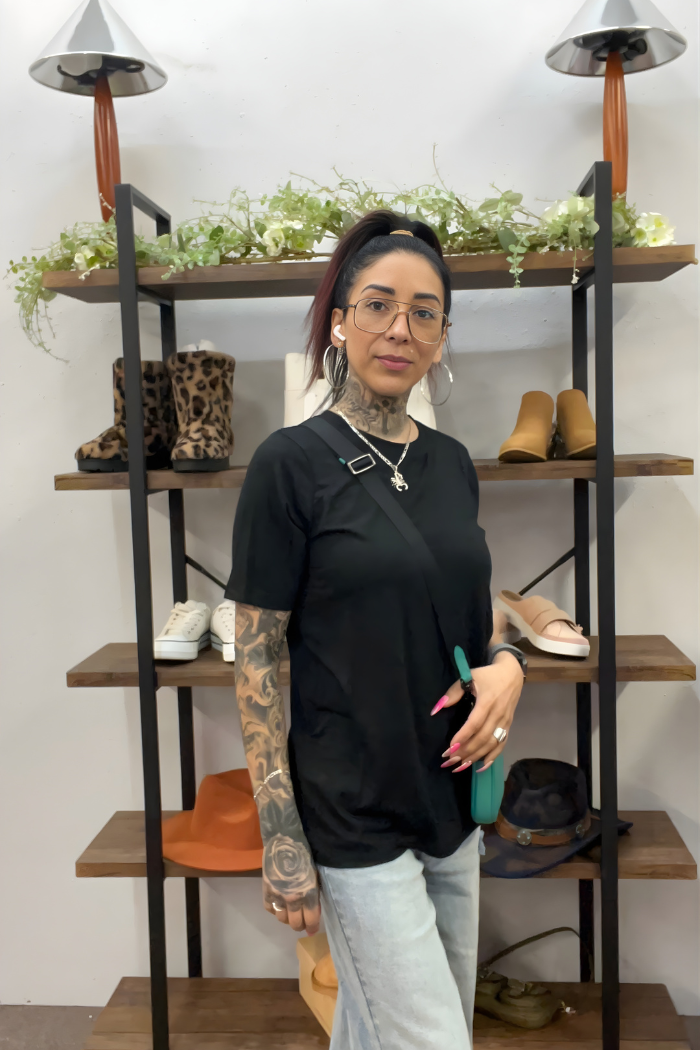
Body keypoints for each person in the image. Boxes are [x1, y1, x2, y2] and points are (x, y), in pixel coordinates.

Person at [224, 210, 525, 1050]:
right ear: (339, 322)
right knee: (434, 1040)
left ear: (442, 337)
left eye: (425, 312)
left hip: (451, 801)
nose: (401, 328)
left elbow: (471, 599)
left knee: (383, 1033)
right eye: (379, 305)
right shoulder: (289, 464)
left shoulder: (451, 464)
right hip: (352, 810)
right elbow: (256, 657)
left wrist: (507, 661)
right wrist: (280, 835)